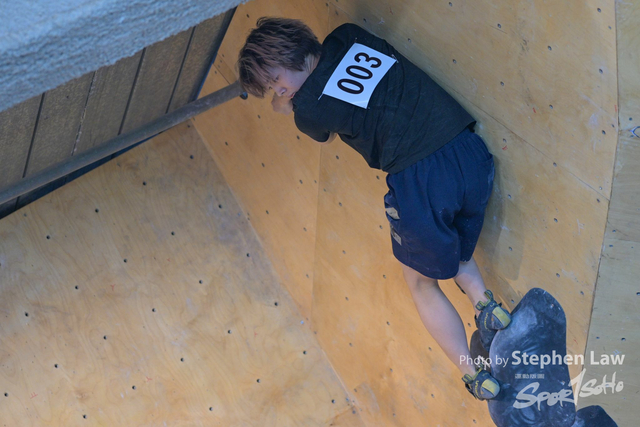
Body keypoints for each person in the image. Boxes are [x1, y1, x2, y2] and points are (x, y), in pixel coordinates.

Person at [237, 17, 511, 400]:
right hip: (467, 152)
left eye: (276, 80)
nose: (279, 90)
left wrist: (285, 104)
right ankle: (486, 305)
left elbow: (322, 134)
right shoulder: (349, 35)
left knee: (421, 284)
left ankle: (475, 375)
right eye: (272, 87)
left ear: (288, 54)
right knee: (449, 244)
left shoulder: (308, 110)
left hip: (421, 178)